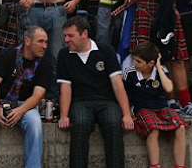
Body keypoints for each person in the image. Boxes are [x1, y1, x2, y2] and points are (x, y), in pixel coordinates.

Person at [56, 16, 134, 168]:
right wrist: (64, 115)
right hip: (80, 102)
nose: (66, 40)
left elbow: (118, 84)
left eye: (70, 35)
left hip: (106, 101)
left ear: (84, 34)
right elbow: (65, 88)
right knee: (80, 123)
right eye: (65, 35)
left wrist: (126, 114)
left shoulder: (105, 51)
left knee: (113, 124)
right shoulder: (64, 55)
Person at [0, 26, 51, 168]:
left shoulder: (45, 63)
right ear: (27, 41)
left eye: (46, 42)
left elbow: (38, 95)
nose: (44, 46)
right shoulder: (8, 55)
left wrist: (20, 111)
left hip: (25, 105)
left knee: (35, 124)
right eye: (40, 42)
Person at [124, 42, 190, 168]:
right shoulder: (130, 73)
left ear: (151, 63)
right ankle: (155, 165)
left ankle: (180, 165)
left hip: (162, 107)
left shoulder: (161, 71)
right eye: (134, 60)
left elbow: (169, 88)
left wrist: (159, 67)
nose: (134, 64)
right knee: (153, 128)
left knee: (180, 126)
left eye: (138, 61)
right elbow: (125, 94)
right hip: (142, 108)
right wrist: (128, 112)